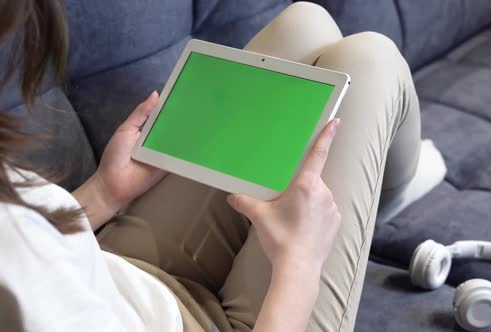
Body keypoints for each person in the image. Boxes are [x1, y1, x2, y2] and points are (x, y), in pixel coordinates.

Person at [0, 1, 421, 331]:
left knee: (304, 24)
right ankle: (381, 195)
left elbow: (32, 248)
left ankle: (369, 196)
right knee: (372, 59)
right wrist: (301, 263)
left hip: (120, 273)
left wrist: (103, 193)